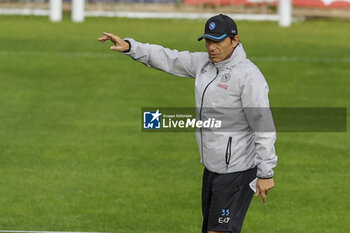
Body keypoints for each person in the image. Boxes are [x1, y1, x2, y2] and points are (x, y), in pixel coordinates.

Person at [98, 14, 278, 233]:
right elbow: (169, 58)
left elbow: (263, 124)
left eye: (218, 41)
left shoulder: (249, 77)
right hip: (212, 168)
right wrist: (130, 46)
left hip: (237, 171)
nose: (212, 47)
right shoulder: (203, 64)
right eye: (208, 41)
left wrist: (266, 172)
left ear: (235, 40)